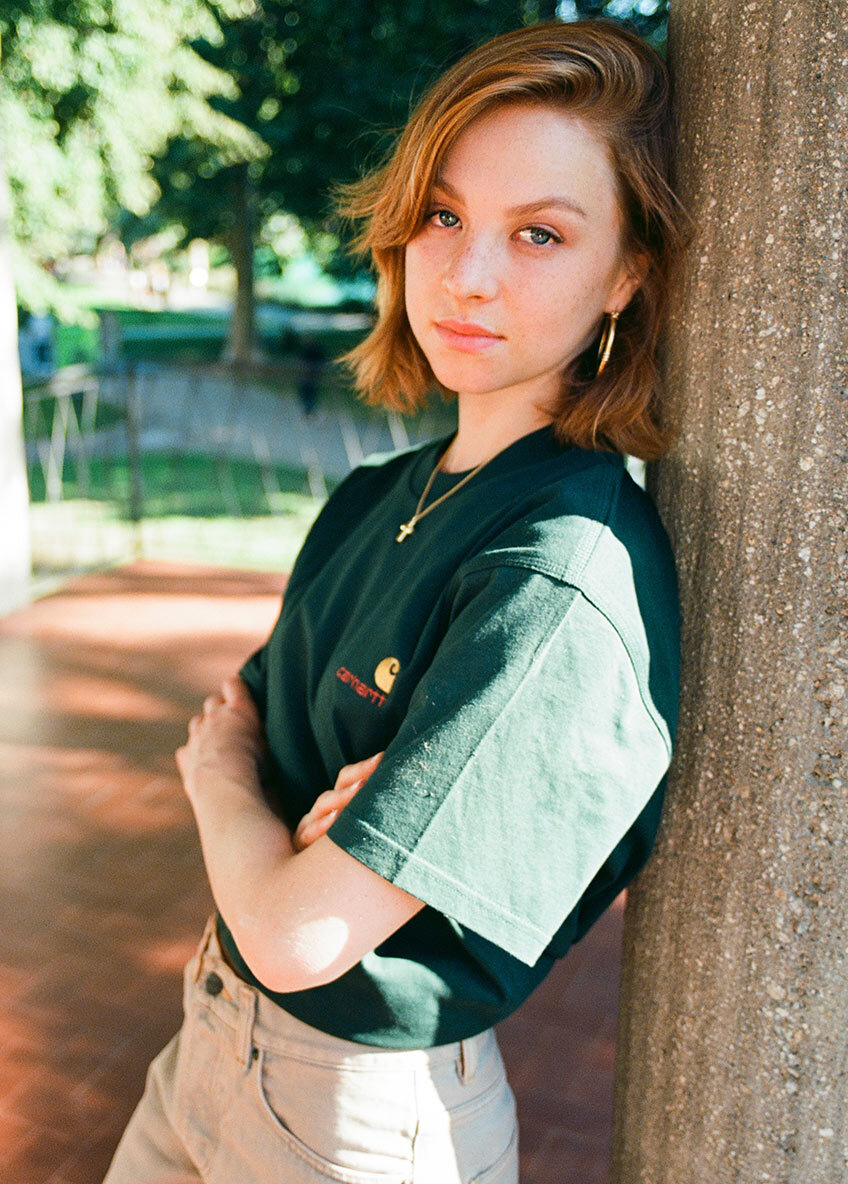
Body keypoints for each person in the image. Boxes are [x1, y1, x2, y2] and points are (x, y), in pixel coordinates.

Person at [104, 19, 690, 1184]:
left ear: (626, 271)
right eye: (442, 215)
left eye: (539, 233)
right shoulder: (377, 492)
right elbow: (248, 725)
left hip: (350, 1116)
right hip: (208, 1039)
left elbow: (298, 926)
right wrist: (271, 816)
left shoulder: (560, 570)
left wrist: (219, 781)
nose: (467, 274)